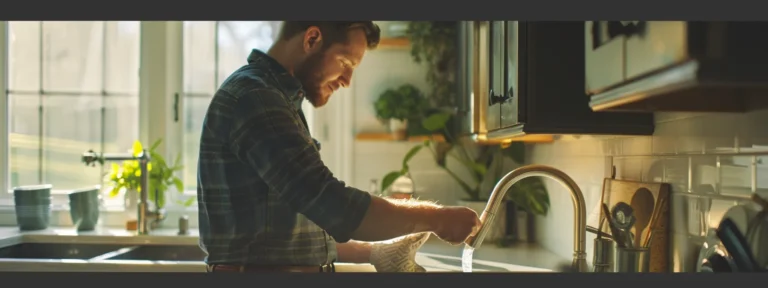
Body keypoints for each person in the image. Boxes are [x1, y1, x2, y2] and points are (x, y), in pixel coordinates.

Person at [196, 21, 482, 273]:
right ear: (312, 39)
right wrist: (439, 219)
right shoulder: (256, 98)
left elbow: (288, 233)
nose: (347, 81)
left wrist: (373, 252)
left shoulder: (273, 98)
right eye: (346, 63)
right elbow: (331, 204)